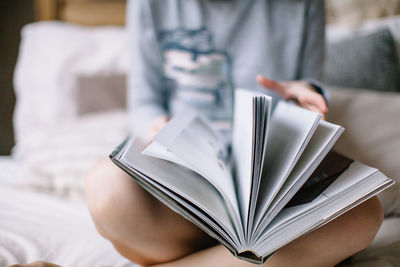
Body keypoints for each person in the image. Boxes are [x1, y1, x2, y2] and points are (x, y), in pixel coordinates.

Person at [15, 1, 383, 267]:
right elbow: (143, 103)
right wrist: (156, 127)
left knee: (364, 213)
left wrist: (307, 99)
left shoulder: (301, 6)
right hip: (185, 180)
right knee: (105, 187)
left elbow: (308, 84)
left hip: (269, 182)